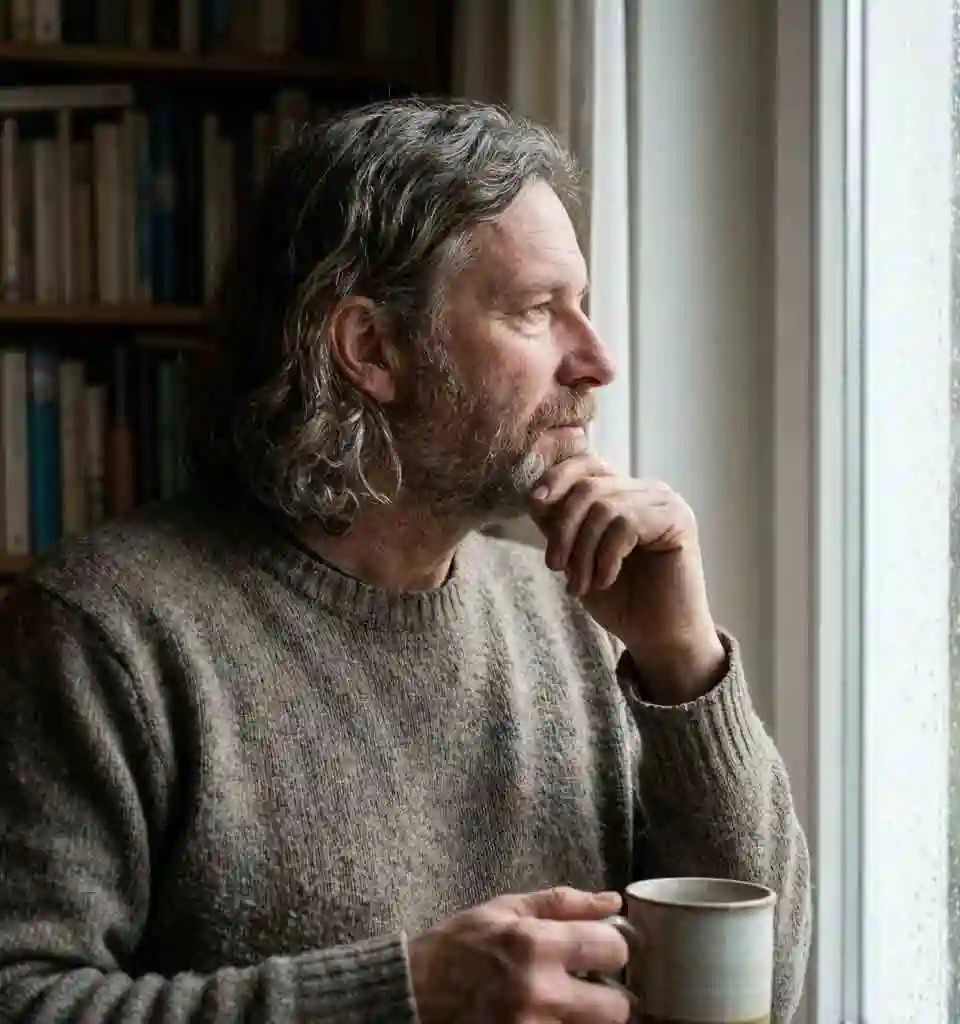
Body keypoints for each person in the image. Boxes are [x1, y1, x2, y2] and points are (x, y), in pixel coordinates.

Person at [0, 98, 810, 1023]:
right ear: (373, 349)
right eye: (538, 312)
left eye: (582, 307)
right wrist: (406, 995)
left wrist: (684, 664)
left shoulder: (576, 620)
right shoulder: (106, 632)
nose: (596, 360)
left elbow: (764, 992)